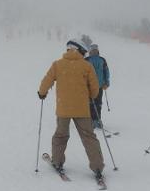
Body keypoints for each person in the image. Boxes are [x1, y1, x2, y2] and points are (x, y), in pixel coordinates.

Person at [38, 39, 105, 182]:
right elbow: (94, 89)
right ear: (79, 50)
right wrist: (90, 97)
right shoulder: (86, 66)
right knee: (89, 137)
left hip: (64, 109)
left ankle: (57, 161)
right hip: (82, 109)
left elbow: (47, 80)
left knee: (61, 136)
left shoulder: (58, 65)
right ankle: (97, 166)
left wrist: (42, 92)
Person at [85, 44, 110, 129]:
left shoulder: (102, 60)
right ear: (90, 51)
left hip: (99, 86)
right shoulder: (87, 60)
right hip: (89, 86)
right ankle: (91, 120)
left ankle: (97, 120)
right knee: (91, 103)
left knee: (98, 103)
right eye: (93, 51)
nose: (94, 52)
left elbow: (106, 71)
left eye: (95, 50)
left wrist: (106, 82)